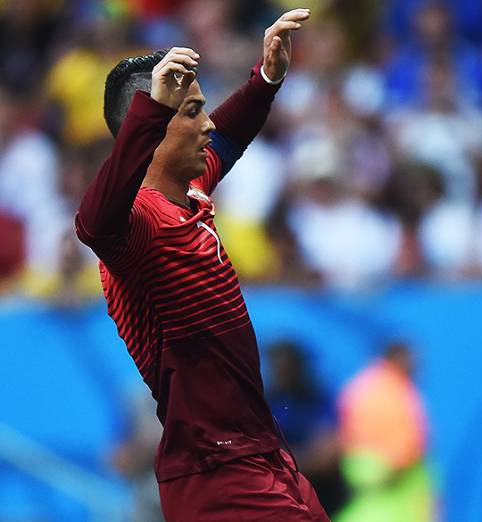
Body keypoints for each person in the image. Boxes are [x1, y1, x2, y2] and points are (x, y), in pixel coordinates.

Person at [74, 8, 329, 521]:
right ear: (149, 129)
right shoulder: (134, 227)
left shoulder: (190, 191)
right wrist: (153, 108)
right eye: (190, 112)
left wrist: (267, 79)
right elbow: (91, 224)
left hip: (262, 454)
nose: (207, 122)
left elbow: (230, 136)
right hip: (214, 470)